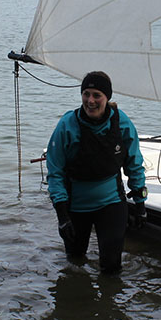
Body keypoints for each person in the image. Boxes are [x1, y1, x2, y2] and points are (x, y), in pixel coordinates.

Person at [45, 71, 147, 275]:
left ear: (107, 97)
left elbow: (134, 164)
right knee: (74, 265)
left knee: (111, 267)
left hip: (111, 203)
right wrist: (62, 216)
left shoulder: (121, 122)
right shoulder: (67, 125)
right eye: (86, 94)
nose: (90, 101)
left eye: (97, 95)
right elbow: (55, 173)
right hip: (76, 207)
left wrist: (140, 203)